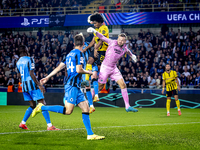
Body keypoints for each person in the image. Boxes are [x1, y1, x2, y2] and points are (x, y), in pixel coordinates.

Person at [32, 34, 105, 140]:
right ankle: (41, 107)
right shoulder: (79, 53)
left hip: (76, 86)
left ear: (74, 44)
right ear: (83, 44)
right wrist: (89, 72)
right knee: (68, 111)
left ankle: (90, 134)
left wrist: (47, 77)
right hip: (72, 86)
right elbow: (79, 70)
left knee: (86, 108)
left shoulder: (69, 54)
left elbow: (59, 68)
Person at [87, 27, 138, 112]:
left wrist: (132, 56)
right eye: (120, 40)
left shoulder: (124, 47)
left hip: (114, 68)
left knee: (123, 85)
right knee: (100, 87)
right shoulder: (112, 42)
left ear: (125, 41)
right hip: (105, 67)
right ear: (117, 39)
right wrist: (94, 31)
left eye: (122, 40)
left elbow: (128, 51)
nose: (121, 41)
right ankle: (89, 103)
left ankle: (127, 106)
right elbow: (102, 37)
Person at [16, 45, 59, 130]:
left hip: (24, 86)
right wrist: (39, 85)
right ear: (25, 50)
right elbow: (32, 74)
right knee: (42, 103)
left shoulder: (18, 62)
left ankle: (22, 123)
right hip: (32, 84)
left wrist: (23, 84)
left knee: (32, 105)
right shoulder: (29, 59)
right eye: (27, 48)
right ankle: (50, 126)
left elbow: (19, 76)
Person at [83, 12, 109, 102]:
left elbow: (102, 39)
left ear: (99, 21)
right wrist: (87, 48)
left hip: (103, 51)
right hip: (96, 49)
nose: (94, 24)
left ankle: (105, 80)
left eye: (95, 23)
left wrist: (96, 49)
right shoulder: (96, 29)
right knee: (89, 61)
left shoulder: (104, 28)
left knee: (99, 67)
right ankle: (87, 80)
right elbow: (94, 40)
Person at [81, 41, 99, 114]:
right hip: (84, 67)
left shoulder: (87, 43)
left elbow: (95, 43)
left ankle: (96, 95)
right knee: (87, 87)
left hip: (92, 64)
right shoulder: (77, 49)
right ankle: (91, 106)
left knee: (94, 76)